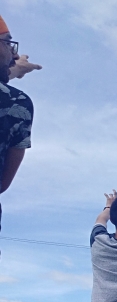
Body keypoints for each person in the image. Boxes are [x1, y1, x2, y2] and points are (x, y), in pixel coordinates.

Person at [0, 13, 40, 226]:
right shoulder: (18, 103)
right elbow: (2, 183)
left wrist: (12, 71)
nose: (14, 54)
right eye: (8, 43)